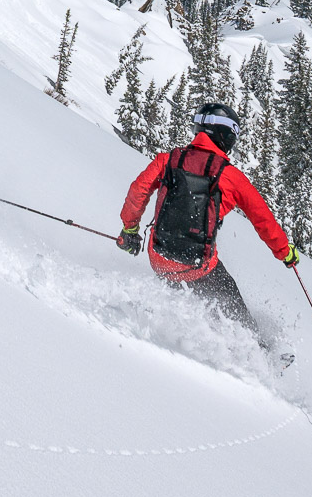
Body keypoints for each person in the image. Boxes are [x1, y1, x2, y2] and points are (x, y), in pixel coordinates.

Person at [116, 102, 299, 335]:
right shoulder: (231, 177)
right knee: (228, 296)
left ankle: (174, 327)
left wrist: (129, 230)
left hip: (159, 256)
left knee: (186, 286)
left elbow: (138, 191)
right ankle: (255, 347)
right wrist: (286, 252)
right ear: (226, 136)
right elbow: (264, 221)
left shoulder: (169, 159)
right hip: (197, 266)